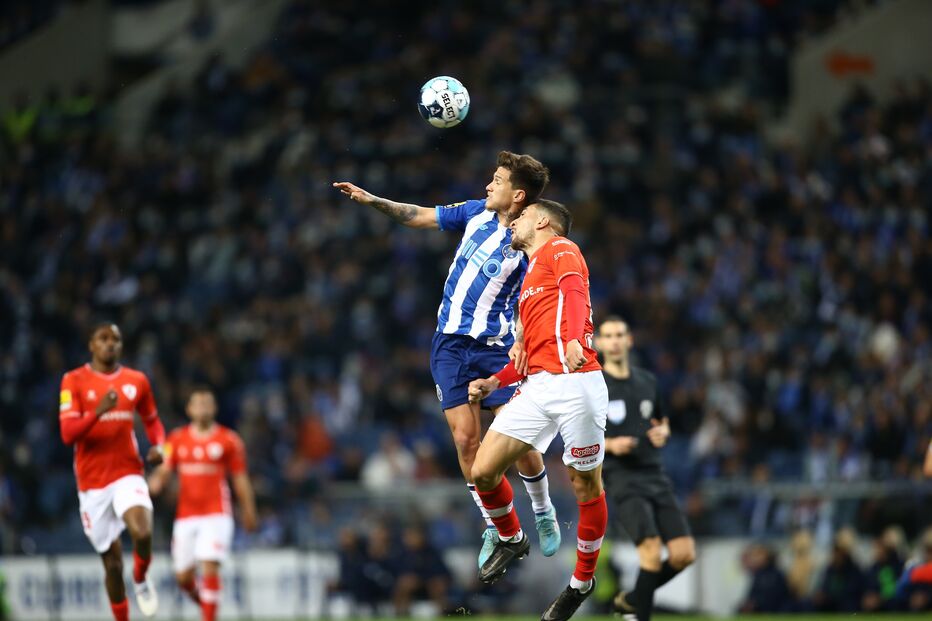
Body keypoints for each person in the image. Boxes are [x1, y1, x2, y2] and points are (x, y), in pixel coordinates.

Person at [333, 151, 560, 565]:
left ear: (517, 194)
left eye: (497, 180)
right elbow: (420, 216)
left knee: (518, 440)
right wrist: (372, 200)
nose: (488, 185)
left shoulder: (529, 239)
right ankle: (499, 524)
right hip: (449, 345)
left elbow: (535, 294)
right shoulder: (475, 213)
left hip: (495, 348)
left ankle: (544, 510)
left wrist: (523, 339)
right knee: (464, 440)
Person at [467, 200, 608, 621]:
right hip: (537, 387)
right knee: (482, 471)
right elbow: (529, 355)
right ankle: (512, 536)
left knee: (586, 488)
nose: (514, 221)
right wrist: (498, 381)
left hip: (576, 382)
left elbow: (575, 294)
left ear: (542, 221)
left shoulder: (561, 248)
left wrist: (575, 342)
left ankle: (581, 583)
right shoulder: (528, 281)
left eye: (522, 216)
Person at [58, 323, 165, 620]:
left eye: (116, 339)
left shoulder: (136, 381)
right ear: (91, 344)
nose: (110, 344)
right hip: (92, 482)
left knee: (142, 531)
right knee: (113, 566)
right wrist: (98, 411)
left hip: (128, 471)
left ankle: (141, 578)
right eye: (103, 339)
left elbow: (153, 420)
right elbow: (68, 433)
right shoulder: (73, 380)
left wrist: (160, 446)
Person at [595, 317, 696, 621]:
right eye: (608, 335)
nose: (614, 341)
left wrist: (663, 432)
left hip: (655, 474)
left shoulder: (647, 382)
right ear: (598, 343)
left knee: (683, 554)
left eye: (620, 335)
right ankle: (637, 616)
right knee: (651, 551)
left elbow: (661, 421)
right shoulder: (594, 384)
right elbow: (577, 434)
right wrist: (610, 445)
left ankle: (634, 599)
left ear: (629, 341)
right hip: (622, 477)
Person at [148, 388, 258, 621]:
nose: (203, 408)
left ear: (215, 408)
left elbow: (240, 478)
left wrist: (249, 511)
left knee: (209, 565)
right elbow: (164, 472)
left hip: (216, 513)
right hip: (186, 515)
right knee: (183, 577)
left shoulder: (229, 440)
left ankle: (208, 616)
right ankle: (208, 605)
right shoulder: (176, 439)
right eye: (198, 403)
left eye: (208, 403)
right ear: (189, 409)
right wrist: (151, 486)